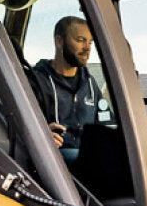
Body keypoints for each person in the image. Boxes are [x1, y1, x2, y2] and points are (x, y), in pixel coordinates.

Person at [27, 16, 105, 163]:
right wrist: (43, 133)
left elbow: (106, 119)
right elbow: (24, 124)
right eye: (81, 40)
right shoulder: (37, 81)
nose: (87, 48)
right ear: (59, 41)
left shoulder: (90, 83)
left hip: (89, 155)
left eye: (90, 42)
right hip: (55, 159)